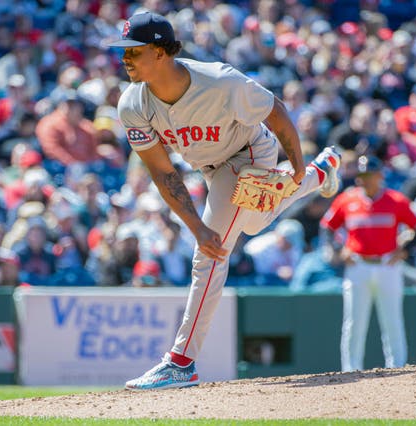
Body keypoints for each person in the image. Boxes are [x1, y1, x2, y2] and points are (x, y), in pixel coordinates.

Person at [107, 12, 340, 390]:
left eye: (134, 50)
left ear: (161, 52)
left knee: (212, 252)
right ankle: (322, 172)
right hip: (209, 168)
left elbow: (276, 111)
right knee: (253, 223)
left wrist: (296, 165)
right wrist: (194, 226)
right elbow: (164, 174)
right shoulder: (132, 103)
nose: (125, 58)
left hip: (249, 152)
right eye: (124, 51)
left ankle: (181, 362)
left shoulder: (219, 81)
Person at [320, 155, 416, 372]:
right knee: (353, 323)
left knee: (392, 321)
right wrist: (339, 249)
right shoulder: (347, 199)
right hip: (357, 265)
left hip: (388, 265)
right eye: (361, 175)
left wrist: (406, 250)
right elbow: (327, 226)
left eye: (368, 175)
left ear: (379, 175)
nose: (363, 179)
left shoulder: (396, 200)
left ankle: (397, 368)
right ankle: (350, 371)